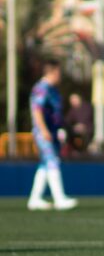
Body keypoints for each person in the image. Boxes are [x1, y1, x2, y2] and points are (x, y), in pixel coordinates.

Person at [27, 59, 78, 211]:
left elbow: (56, 113)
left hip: (53, 132)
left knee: (44, 165)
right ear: (53, 72)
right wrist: (43, 130)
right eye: (59, 72)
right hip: (44, 132)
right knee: (52, 161)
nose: (60, 75)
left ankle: (34, 199)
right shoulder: (42, 88)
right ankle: (59, 198)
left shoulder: (53, 89)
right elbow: (36, 110)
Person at [64, 92, 94, 156]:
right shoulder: (72, 109)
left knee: (79, 135)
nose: (72, 102)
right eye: (71, 100)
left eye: (74, 100)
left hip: (87, 130)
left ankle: (81, 150)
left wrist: (81, 126)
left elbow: (86, 118)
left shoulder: (86, 107)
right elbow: (67, 120)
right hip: (76, 131)